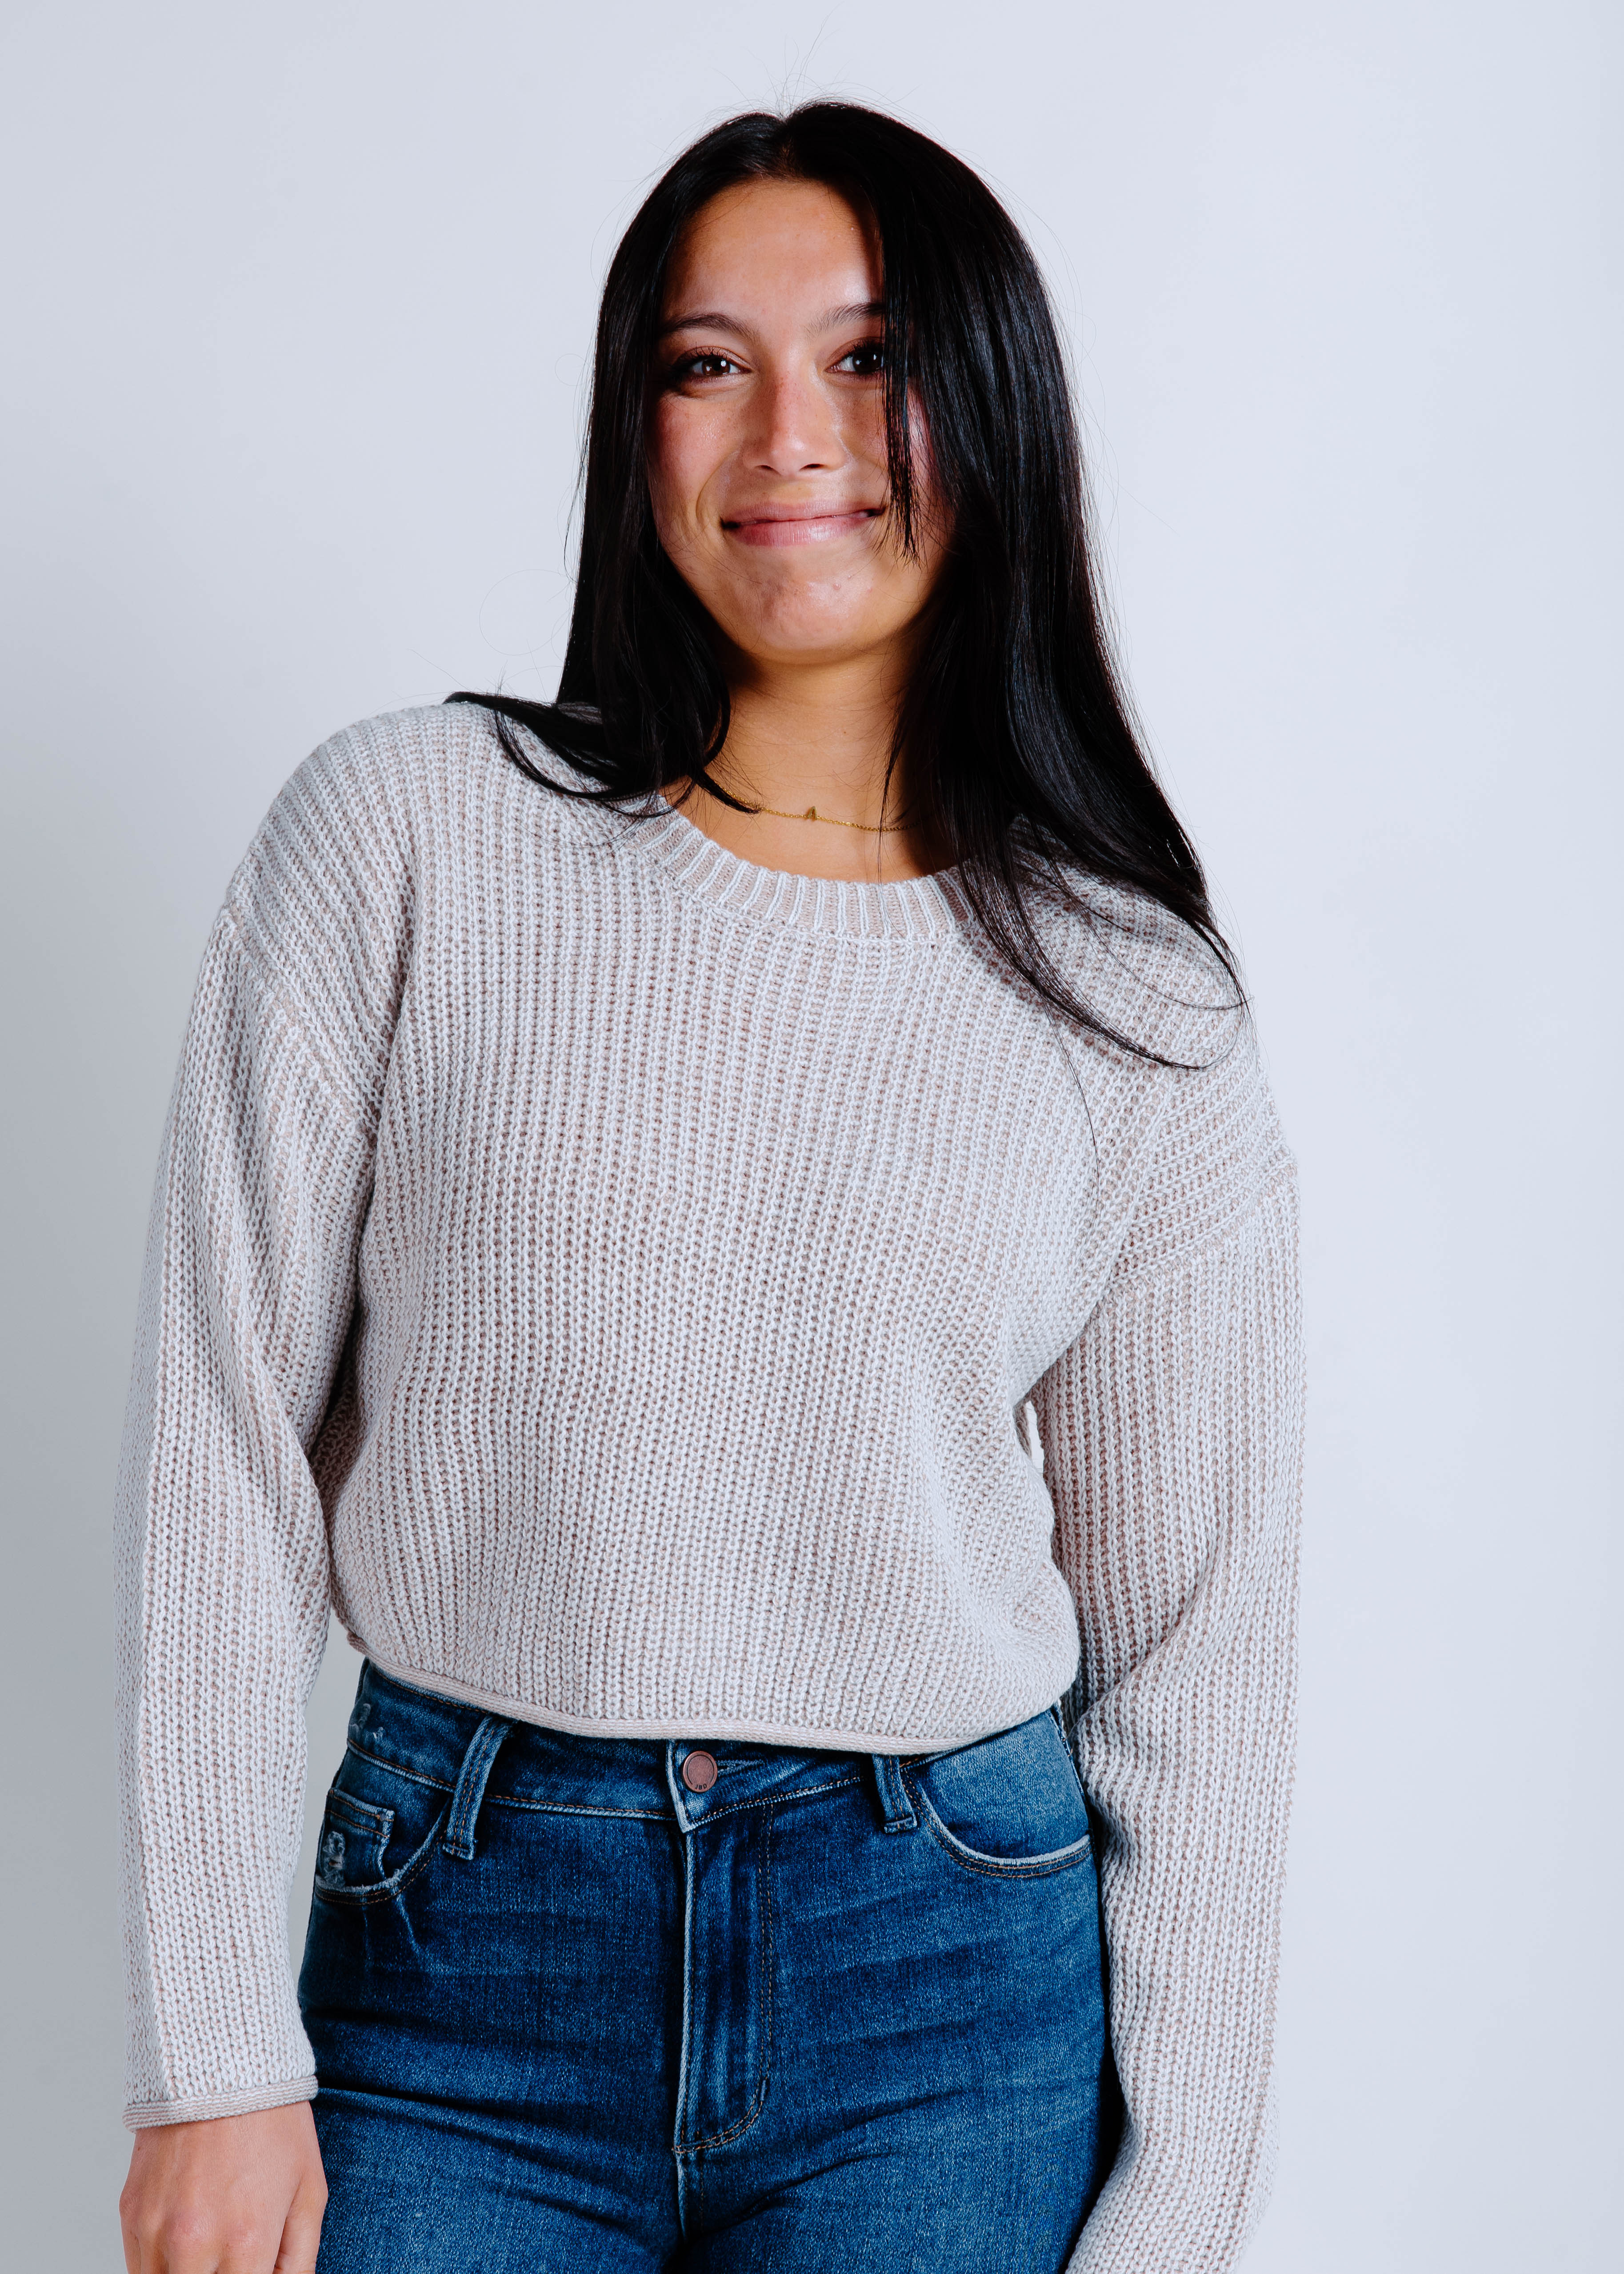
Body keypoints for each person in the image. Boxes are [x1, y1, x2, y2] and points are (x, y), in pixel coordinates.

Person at [116, 102, 1303, 2274]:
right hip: (455, 1959)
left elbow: (1193, 1657)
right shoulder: (405, 840)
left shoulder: (1131, 998)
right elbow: (221, 1451)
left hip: (942, 1985)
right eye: (703, 364)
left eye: (867, 358)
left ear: (991, 406)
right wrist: (210, 2056)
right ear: (631, 423)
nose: (788, 437)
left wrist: (1177, 2211)